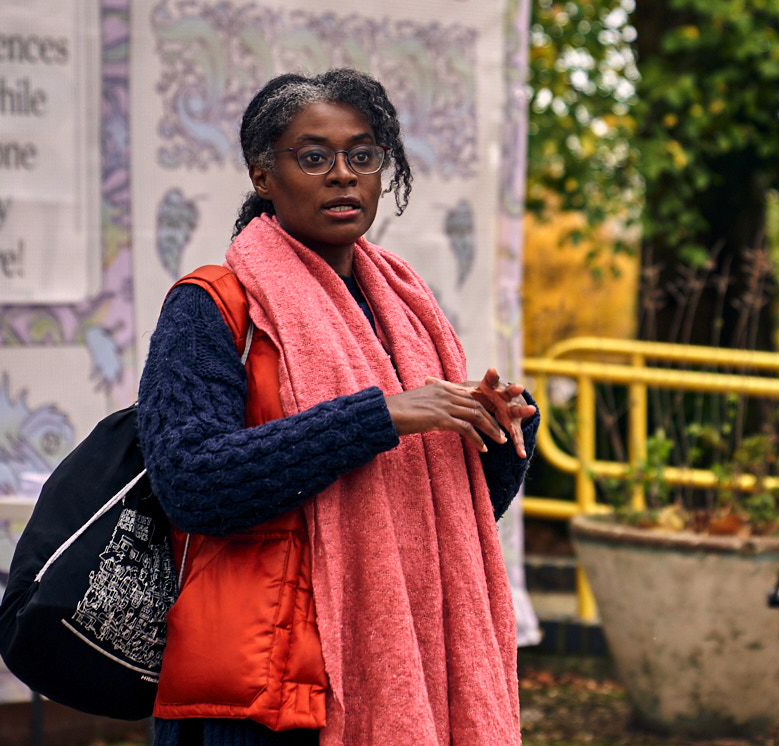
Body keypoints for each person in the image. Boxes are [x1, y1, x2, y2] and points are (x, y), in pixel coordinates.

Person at [137, 68, 538, 746]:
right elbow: (192, 485)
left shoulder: (405, 311)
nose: (343, 174)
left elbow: (445, 524)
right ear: (263, 175)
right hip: (262, 699)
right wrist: (379, 417)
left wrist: (496, 435)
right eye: (313, 156)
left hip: (405, 665)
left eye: (363, 155)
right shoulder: (210, 307)